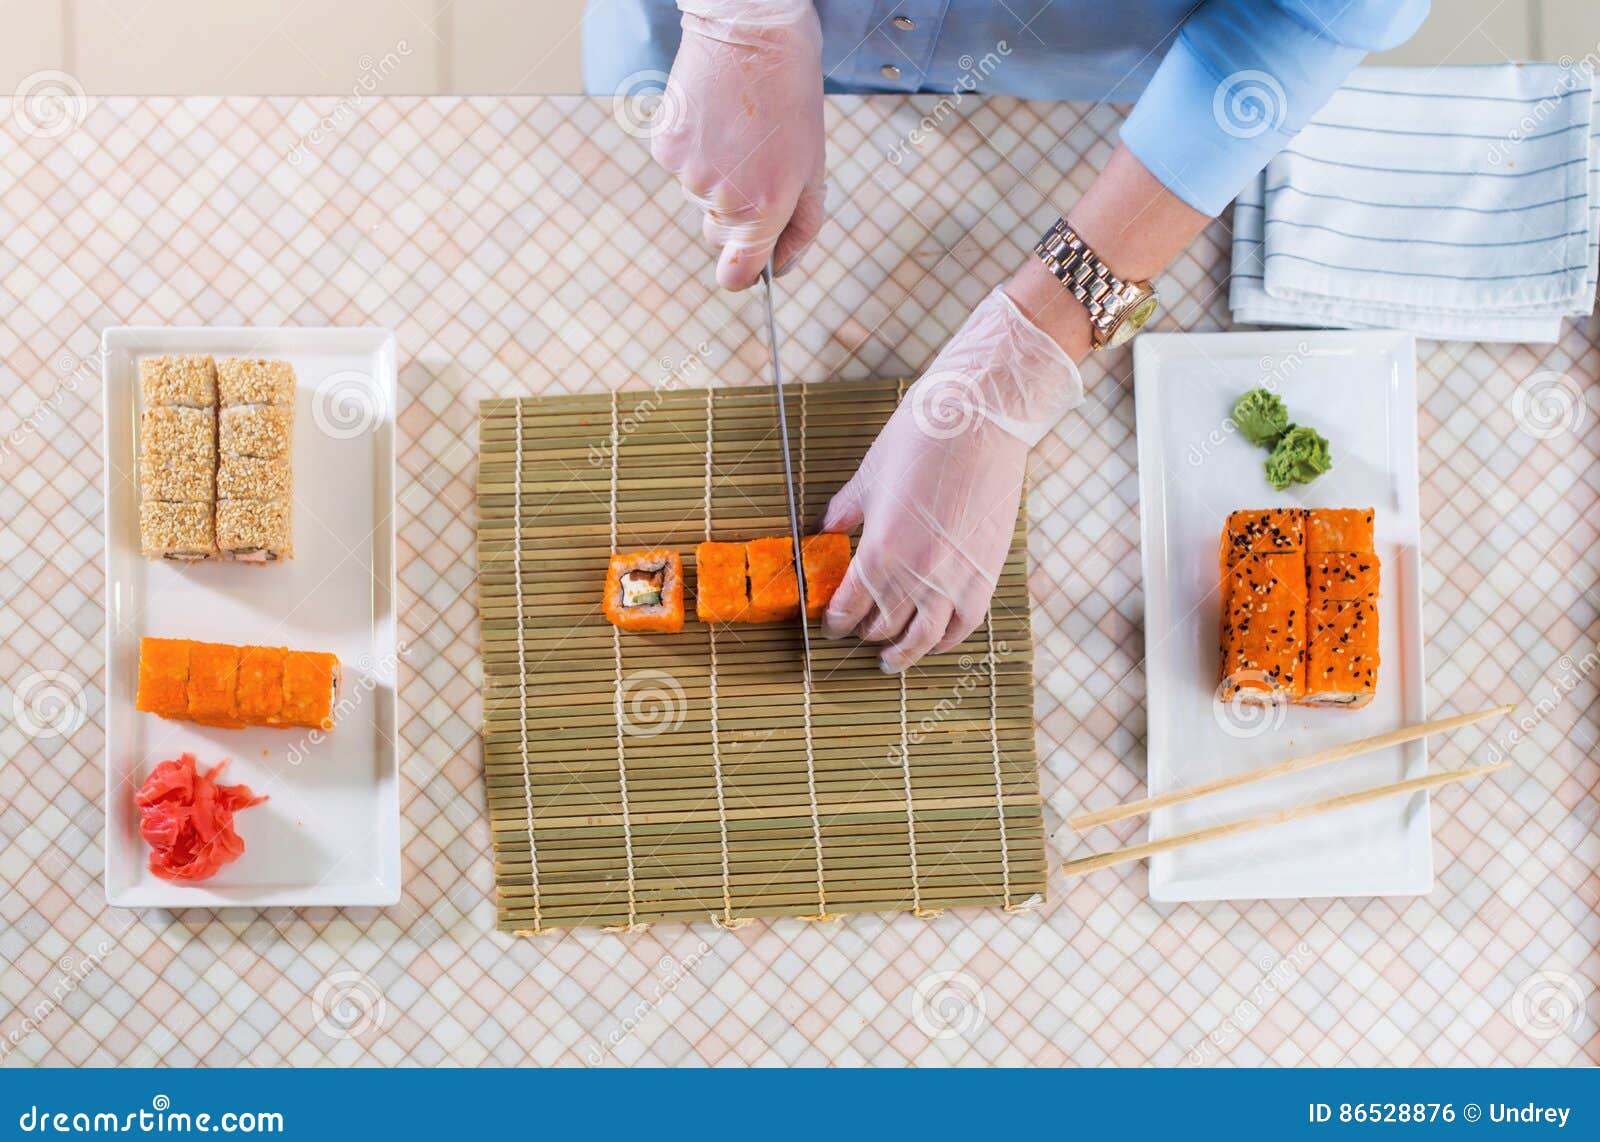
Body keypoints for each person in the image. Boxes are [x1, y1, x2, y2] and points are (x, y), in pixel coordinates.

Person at [585, 0, 1428, 672]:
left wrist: (1018, 361)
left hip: (1118, 118)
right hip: (697, 63)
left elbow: (1318, 14)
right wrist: (740, 21)